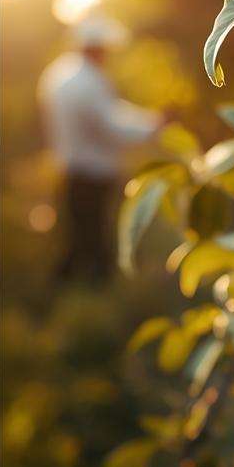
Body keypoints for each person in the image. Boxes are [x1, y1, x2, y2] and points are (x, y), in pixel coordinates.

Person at [39, 15, 165, 279]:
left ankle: (67, 288)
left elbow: (112, 113)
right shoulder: (90, 82)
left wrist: (149, 120)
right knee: (94, 236)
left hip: (69, 167)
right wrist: (154, 126)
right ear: (95, 48)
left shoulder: (58, 74)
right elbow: (113, 126)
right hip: (94, 171)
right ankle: (91, 291)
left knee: (75, 232)